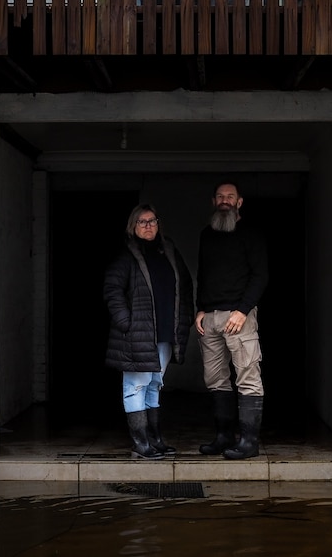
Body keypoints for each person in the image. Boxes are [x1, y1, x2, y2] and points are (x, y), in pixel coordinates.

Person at [103, 203, 194, 460]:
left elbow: (185, 287)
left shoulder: (169, 253)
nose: (148, 226)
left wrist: (184, 319)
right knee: (135, 386)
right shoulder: (126, 256)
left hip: (165, 332)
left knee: (155, 384)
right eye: (142, 222)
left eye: (152, 221)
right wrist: (127, 323)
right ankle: (140, 444)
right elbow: (112, 290)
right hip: (137, 333)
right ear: (133, 225)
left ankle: (155, 439)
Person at [195, 181, 268, 460]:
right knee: (215, 380)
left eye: (230, 196)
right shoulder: (206, 235)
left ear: (239, 202)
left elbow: (260, 275)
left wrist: (243, 310)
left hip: (240, 316)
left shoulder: (251, 234)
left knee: (248, 377)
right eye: (220, 196)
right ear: (214, 201)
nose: (225, 200)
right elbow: (203, 273)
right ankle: (223, 437)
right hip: (210, 318)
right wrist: (201, 309)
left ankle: (249, 442)